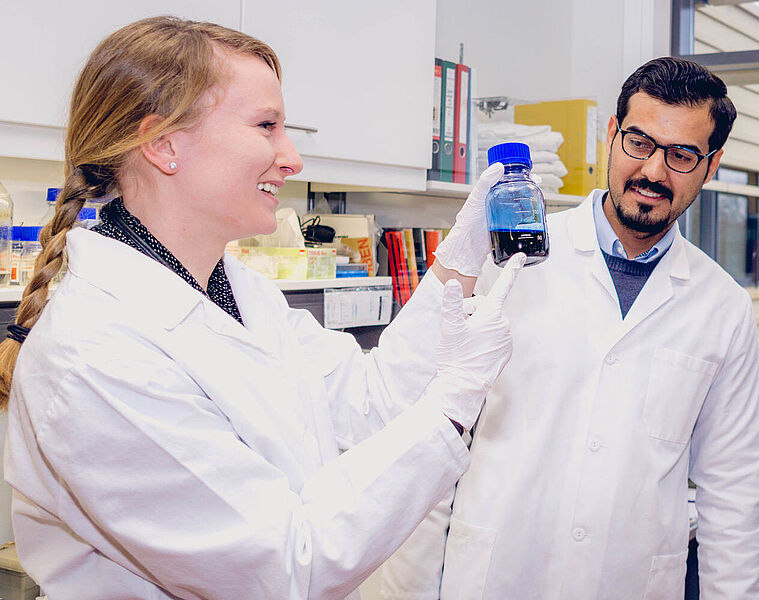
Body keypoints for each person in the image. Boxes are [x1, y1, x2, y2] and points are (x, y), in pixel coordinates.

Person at [0, 16, 525, 599]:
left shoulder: (239, 293)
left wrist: (463, 253)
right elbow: (285, 570)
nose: (292, 157)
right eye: (267, 126)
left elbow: (371, 404)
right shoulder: (95, 355)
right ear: (164, 144)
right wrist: (454, 401)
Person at [380, 57, 759, 599]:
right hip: (496, 574)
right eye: (639, 142)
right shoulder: (507, 257)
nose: (654, 171)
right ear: (611, 135)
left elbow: (734, 495)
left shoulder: (723, 307)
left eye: (681, 155)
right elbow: (432, 436)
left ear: (712, 164)